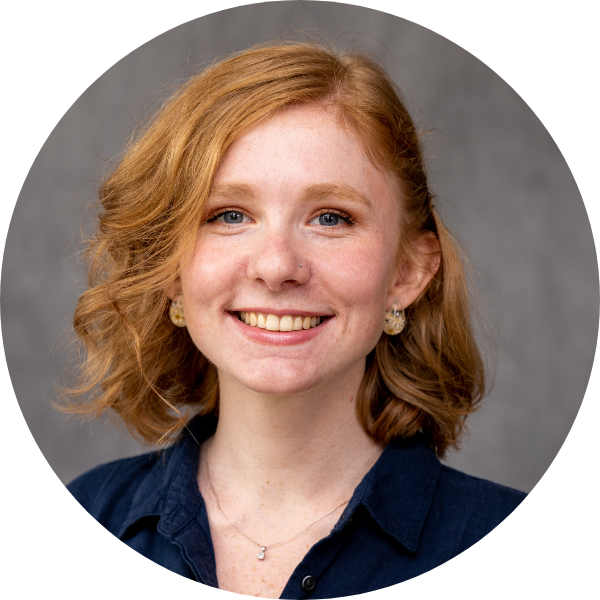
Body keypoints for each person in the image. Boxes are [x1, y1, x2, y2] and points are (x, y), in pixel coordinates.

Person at [64, 41, 525, 598]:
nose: (278, 266)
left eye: (331, 217)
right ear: (170, 267)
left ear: (407, 272)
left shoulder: (519, 547)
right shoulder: (80, 522)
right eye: (229, 215)